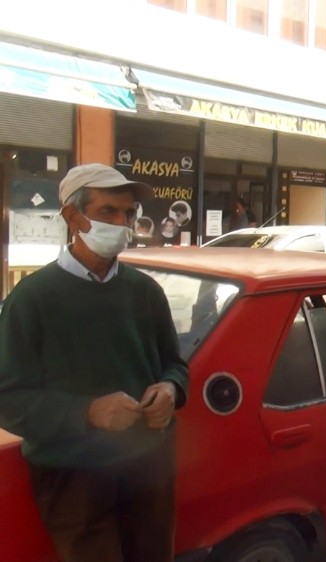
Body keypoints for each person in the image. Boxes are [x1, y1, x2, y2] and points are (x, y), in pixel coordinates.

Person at [0, 163, 189, 562]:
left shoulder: (145, 291)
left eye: (129, 214)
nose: (122, 223)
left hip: (148, 466)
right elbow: (8, 399)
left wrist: (170, 389)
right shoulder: (31, 301)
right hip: (73, 476)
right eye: (108, 212)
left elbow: (175, 364)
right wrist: (87, 411)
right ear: (73, 217)